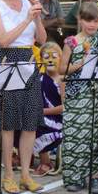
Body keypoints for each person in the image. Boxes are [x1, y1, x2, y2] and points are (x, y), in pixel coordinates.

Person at [0, 0, 47, 194]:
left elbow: (41, 39)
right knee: (8, 122)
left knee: (30, 121)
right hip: (4, 60)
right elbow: (2, 39)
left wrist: (37, 17)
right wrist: (27, 19)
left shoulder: (26, 3)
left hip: (28, 61)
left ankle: (26, 175)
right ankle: (8, 175)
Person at [59, 2, 98, 192]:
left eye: (95, 21)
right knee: (75, 134)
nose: (91, 25)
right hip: (76, 94)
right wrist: (81, 63)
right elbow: (62, 69)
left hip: (97, 94)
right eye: (88, 20)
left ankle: (94, 177)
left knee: (94, 136)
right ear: (80, 20)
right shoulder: (71, 42)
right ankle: (74, 176)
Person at [32, 42, 63, 177]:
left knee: (38, 122)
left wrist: (43, 112)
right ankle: (22, 156)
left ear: (61, 58)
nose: (50, 59)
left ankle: (46, 162)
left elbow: (64, 107)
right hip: (40, 114)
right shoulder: (39, 78)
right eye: (46, 56)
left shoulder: (63, 80)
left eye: (54, 56)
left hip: (57, 120)